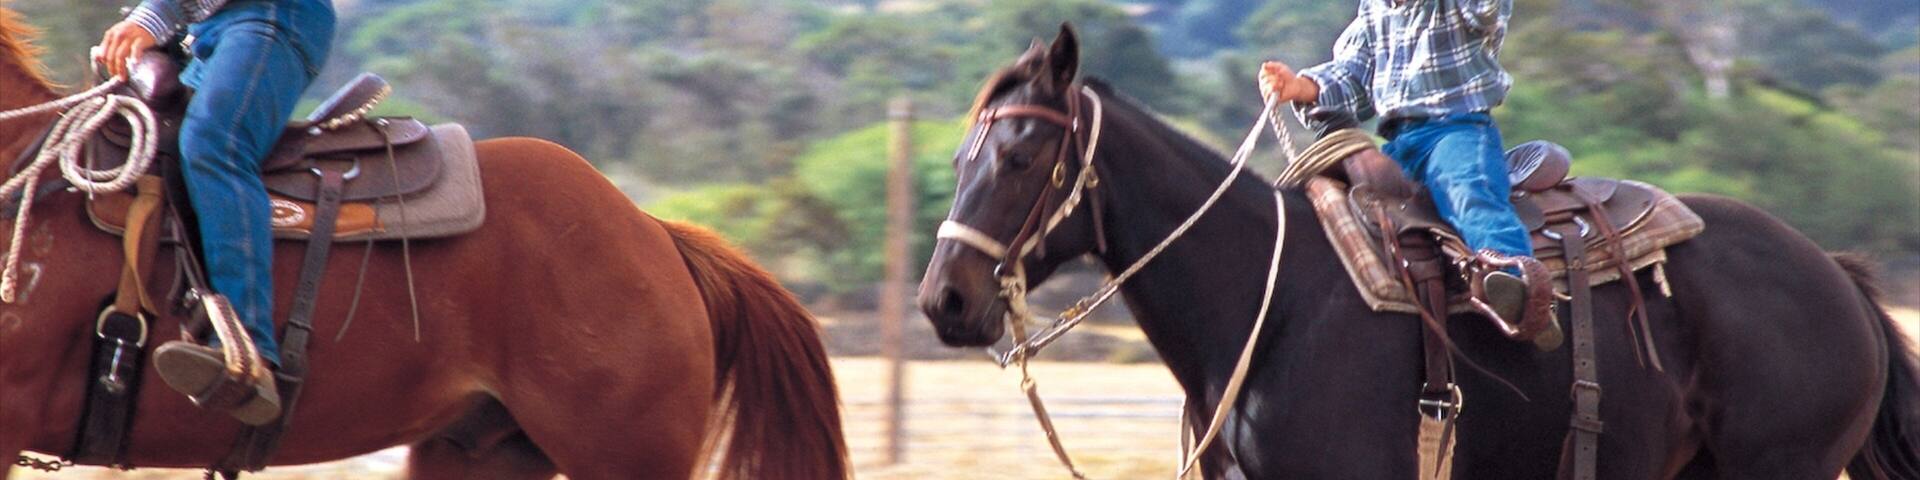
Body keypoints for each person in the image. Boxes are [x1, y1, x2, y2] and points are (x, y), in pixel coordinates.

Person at [96, 0, 335, 425]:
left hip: (271, 14)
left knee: (213, 142)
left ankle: (248, 350)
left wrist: (152, 17)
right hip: (205, 30)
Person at [1259, 0, 1551, 332]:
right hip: (1399, 141)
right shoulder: (1376, 9)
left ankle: (1519, 289)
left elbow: (1486, 11)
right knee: (1361, 205)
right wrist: (1300, 87)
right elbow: (1352, 74)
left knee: (1467, 191)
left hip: (1456, 130)